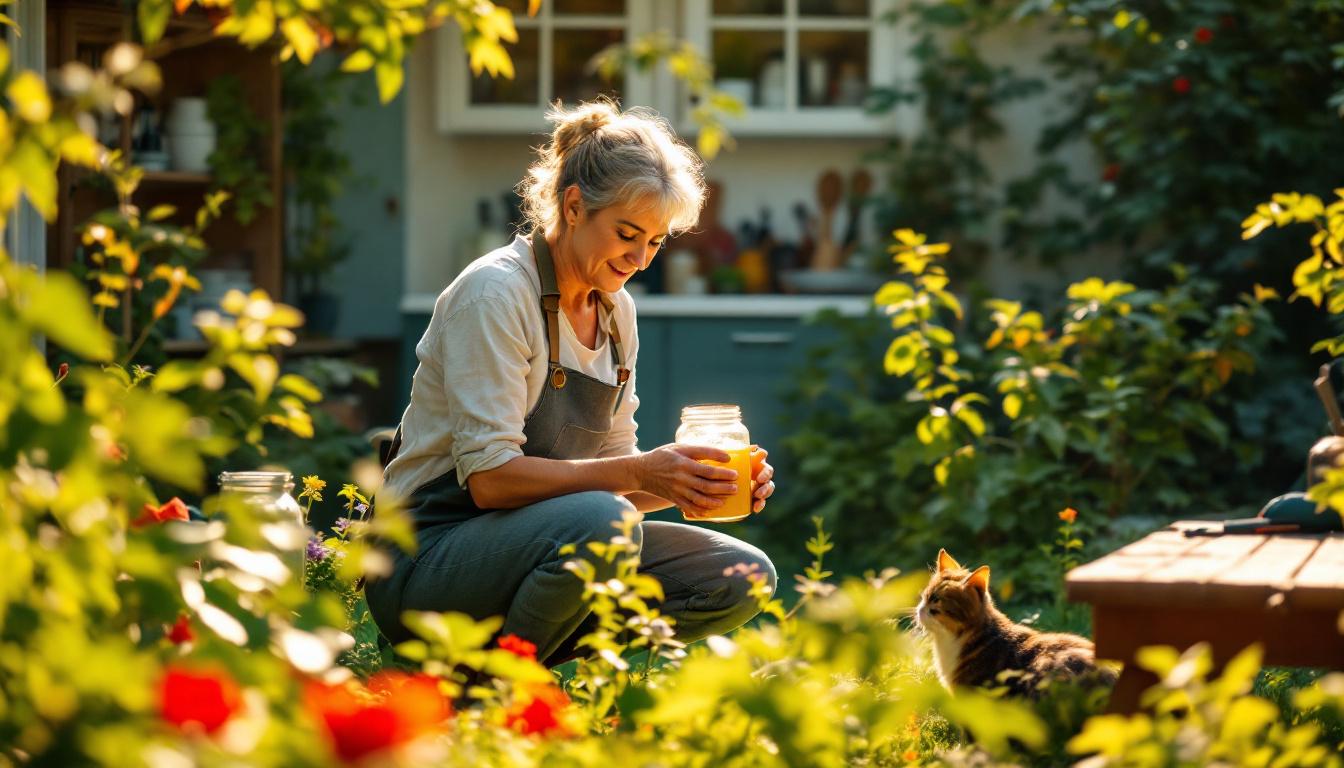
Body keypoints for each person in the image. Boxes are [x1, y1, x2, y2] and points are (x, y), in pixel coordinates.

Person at [365, 99, 778, 666]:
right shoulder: (496, 293)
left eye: (656, 241)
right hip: (425, 558)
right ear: (575, 206)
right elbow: (489, 481)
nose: (639, 257)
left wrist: (685, 483)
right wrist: (640, 471)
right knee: (603, 525)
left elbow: (611, 483)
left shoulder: (616, 312)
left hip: (529, 546)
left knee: (741, 575)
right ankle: (498, 697)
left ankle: (494, 671)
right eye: (627, 233)